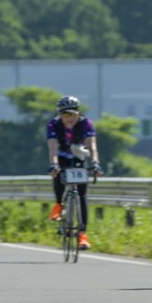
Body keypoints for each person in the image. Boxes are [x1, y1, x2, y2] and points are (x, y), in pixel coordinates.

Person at [46, 95, 102, 250]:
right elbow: (53, 148)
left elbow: (92, 147)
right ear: (60, 115)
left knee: (82, 195)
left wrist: (96, 164)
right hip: (62, 157)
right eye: (65, 114)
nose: (69, 118)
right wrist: (54, 164)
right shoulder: (53, 124)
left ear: (78, 113)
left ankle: (82, 235)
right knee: (57, 174)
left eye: (72, 114)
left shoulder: (86, 124)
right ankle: (58, 204)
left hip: (79, 157)